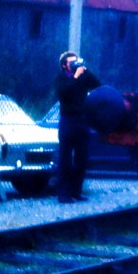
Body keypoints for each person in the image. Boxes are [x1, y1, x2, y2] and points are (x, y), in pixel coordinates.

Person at [55, 51, 102, 204]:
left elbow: (97, 84)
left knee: (82, 158)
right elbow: (64, 93)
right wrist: (75, 77)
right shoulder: (61, 78)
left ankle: (76, 191)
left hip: (82, 120)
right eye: (72, 62)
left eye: (76, 61)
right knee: (65, 158)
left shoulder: (82, 77)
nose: (75, 64)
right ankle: (63, 194)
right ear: (64, 65)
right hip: (68, 120)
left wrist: (85, 70)